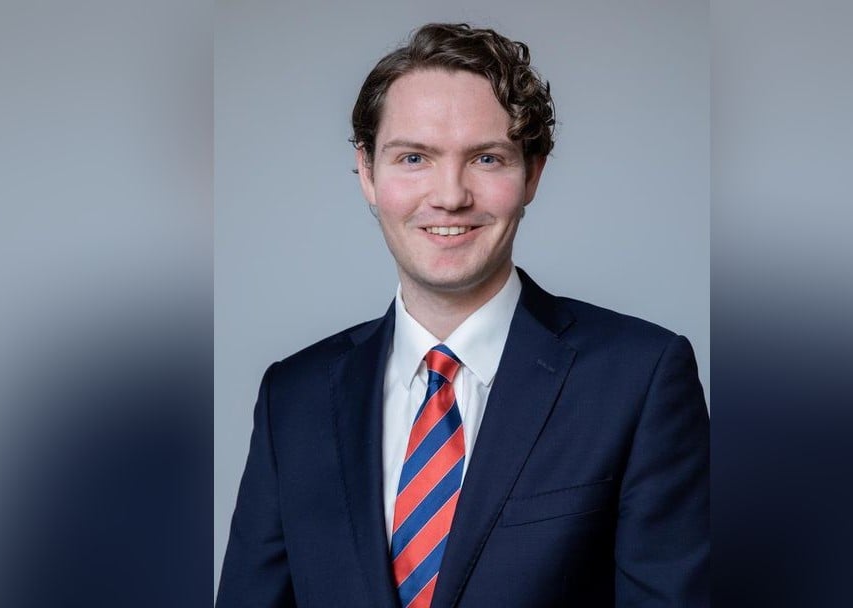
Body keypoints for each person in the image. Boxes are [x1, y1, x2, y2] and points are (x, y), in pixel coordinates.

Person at [217, 23, 709, 608]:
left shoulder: (639, 378)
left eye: (486, 158)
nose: (450, 196)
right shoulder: (293, 397)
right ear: (368, 173)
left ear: (532, 173)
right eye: (414, 157)